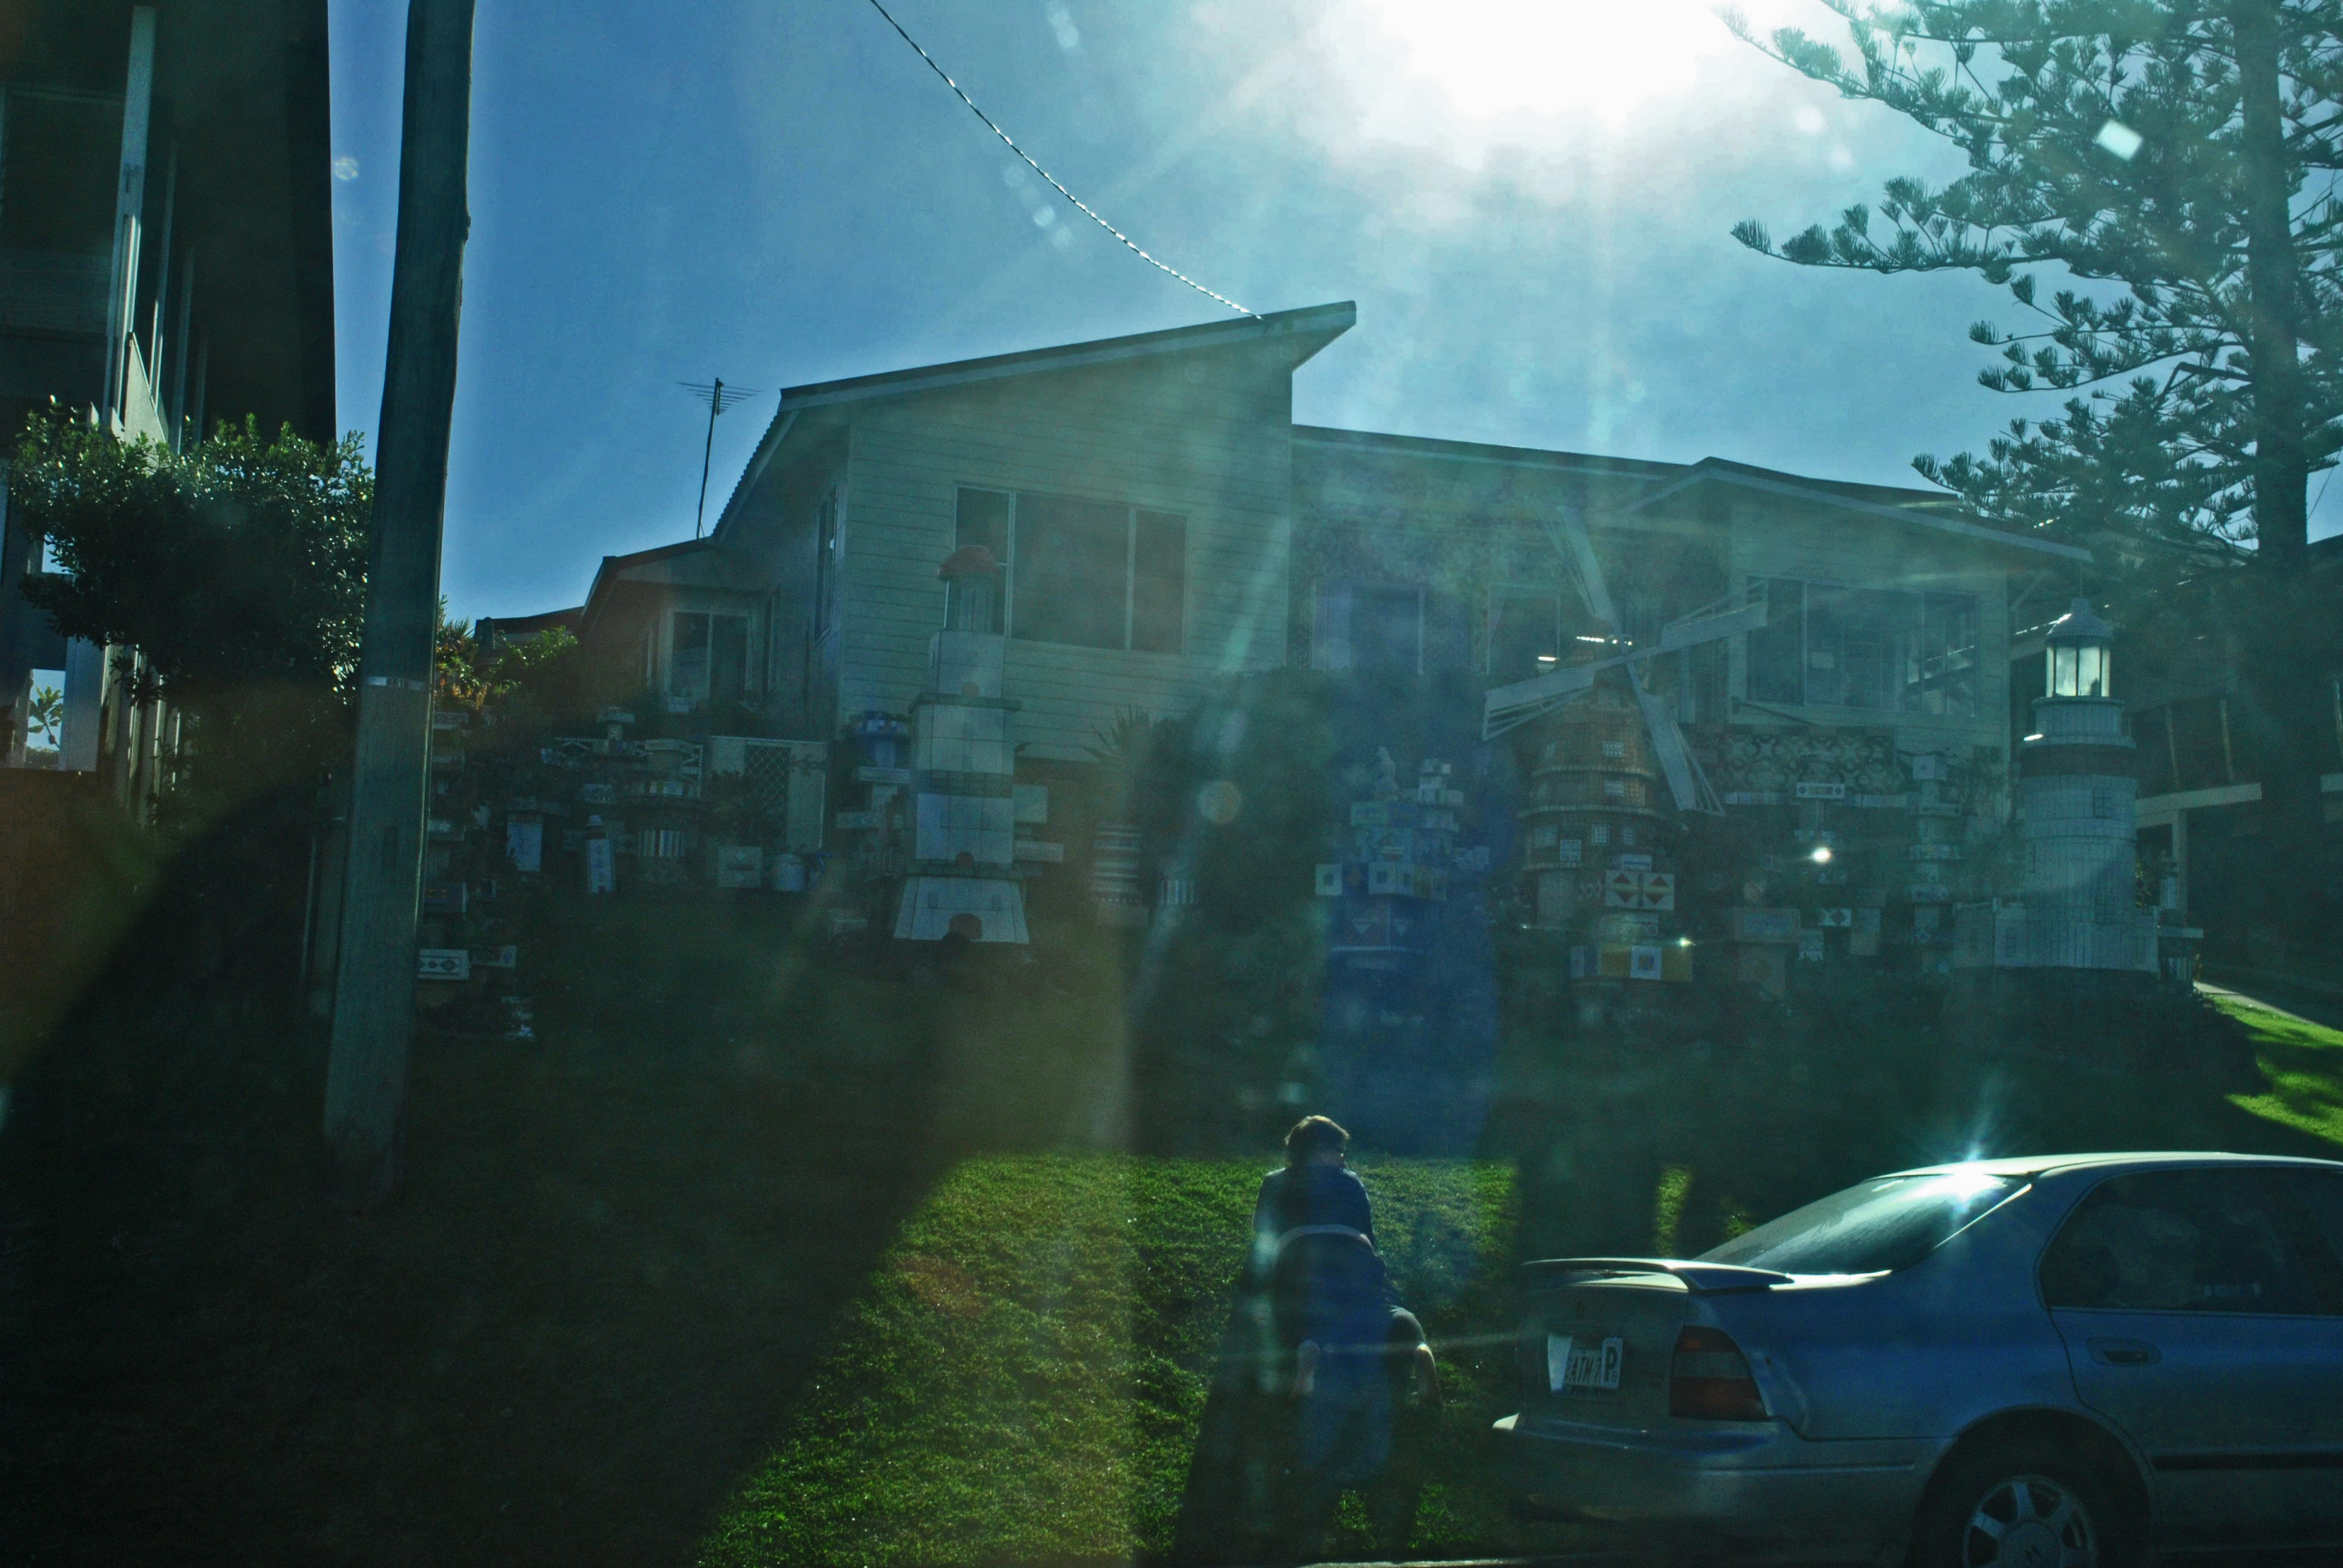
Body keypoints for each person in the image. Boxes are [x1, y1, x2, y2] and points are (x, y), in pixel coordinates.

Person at [1250, 1116, 1440, 1552]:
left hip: (1300, 1254)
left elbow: (1263, 1236)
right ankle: (1414, 1342)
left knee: (1305, 1311)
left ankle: (1309, 1348)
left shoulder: (1274, 1181)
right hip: (1354, 1251)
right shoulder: (1351, 1182)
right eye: (1336, 1150)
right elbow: (1369, 1235)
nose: (1342, 1158)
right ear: (1318, 1150)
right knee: (1383, 1307)